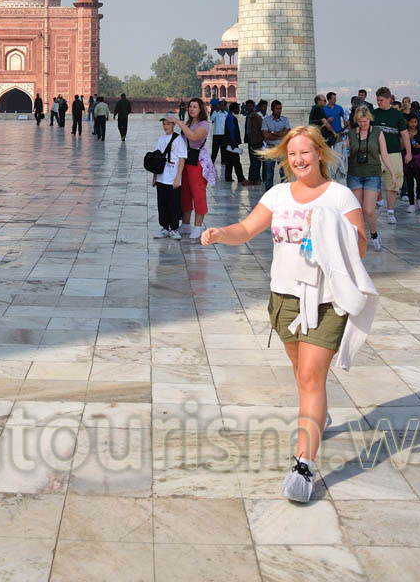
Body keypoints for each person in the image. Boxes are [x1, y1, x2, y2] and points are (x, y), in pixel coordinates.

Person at [201, 125, 367, 503]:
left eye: (305, 153)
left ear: (320, 154)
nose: (299, 160)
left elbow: (361, 246)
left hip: (325, 301)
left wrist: (331, 227)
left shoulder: (340, 197)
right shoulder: (277, 195)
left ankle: (303, 467)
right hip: (285, 300)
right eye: (292, 154)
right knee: (300, 373)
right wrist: (219, 234)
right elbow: (245, 229)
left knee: (310, 377)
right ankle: (317, 419)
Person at [346, 106, 395, 249]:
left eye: (365, 122)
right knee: (357, 209)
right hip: (355, 173)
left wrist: (392, 173)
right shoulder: (351, 134)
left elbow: (384, 155)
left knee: (369, 209)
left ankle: (374, 234)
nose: (363, 125)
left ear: (370, 120)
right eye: (360, 122)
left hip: (372, 174)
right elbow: (345, 152)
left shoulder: (377, 133)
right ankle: (358, 237)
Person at [371, 86, 411, 225]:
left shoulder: (397, 115)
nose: (379, 103)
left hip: (394, 153)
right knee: (373, 180)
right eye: (377, 100)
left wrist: (409, 152)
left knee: (392, 184)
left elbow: (405, 134)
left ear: (389, 99)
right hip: (376, 153)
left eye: (381, 100)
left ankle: (390, 212)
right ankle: (379, 201)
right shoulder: (373, 113)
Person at [174, 98, 210, 239]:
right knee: (185, 193)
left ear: (200, 109)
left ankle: (198, 226)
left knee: (198, 193)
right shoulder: (189, 123)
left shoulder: (204, 124)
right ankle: (186, 224)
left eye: (195, 107)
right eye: (190, 107)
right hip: (185, 160)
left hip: (198, 161)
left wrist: (180, 123)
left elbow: (194, 137)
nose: (191, 109)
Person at [150, 114, 187, 239]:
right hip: (161, 178)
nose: (165, 126)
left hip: (173, 179)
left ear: (174, 125)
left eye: (168, 124)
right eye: (164, 124)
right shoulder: (161, 140)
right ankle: (164, 227)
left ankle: (174, 228)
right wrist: (154, 177)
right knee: (162, 204)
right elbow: (156, 159)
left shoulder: (179, 140)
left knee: (174, 204)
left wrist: (178, 177)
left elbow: (182, 159)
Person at [262, 100, 291, 189]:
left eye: (280, 109)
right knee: (269, 174)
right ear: (272, 109)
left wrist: (273, 132)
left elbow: (287, 134)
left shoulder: (285, 120)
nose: (279, 111)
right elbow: (265, 135)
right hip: (271, 148)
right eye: (277, 109)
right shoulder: (266, 120)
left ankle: (284, 193)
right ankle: (268, 193)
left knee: (284, 174)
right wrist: (280, 134)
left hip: (282, 148)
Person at [405, 116, 420, 213]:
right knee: (409, 182)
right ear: (408, 122)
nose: (413, 124)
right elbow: (401, 145)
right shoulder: (405, 132)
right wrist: (408, 138)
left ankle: (419, 198)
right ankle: (411, 204)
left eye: (415, 122)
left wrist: (419, 146)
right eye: (411, 122)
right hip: (409, 161)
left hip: (419, 161)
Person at [323, 91, 347, 179]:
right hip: (328, 134)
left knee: (339, 152)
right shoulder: (324, 109)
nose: (335, 100)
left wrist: (345, 128)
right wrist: (328, 121)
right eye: (333, 99)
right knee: (329, 152)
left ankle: (338, 170)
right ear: (329, 99)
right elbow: (322, 121)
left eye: (335, 98)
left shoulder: (339, 108)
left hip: (339, 133)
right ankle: (329, 171)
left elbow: (344, 118)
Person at [224, 102, 245, 186]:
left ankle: (228, 177)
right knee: (236, 161)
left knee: (229, 161)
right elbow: (232, 131)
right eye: (238, 108)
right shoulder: (231, 118)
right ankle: (241, 178)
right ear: (234, 109)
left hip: (228, 142)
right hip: (232, 143)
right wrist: (233, 142)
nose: (239, 110)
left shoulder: (229, 117)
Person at [246, 99, 263, 183]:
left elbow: (261, 129)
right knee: (253, 160)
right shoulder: (249, 116)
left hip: (256, 141)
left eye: (251, 106)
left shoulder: (257, 117)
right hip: (251, 141)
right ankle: (256, 178)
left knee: (255, 161)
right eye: (248, 106)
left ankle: (253, 179)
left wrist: (260, 140)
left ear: (253, 106)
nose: (249, 108)